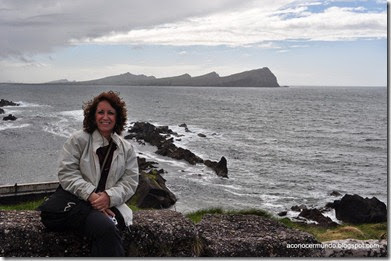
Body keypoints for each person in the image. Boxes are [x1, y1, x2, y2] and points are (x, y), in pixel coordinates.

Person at [49, 91, 139, 256]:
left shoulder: (126, 148)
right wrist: (92, 196)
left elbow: (130, 181)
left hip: (110, 205)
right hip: (77, 202)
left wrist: (108, 197)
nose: (105, 117)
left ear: (118, 117)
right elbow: (67, 173)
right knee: (106, 228)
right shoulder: (78, 140)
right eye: (101, 112)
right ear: (93, 115)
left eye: (111, 113)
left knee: (108, 228)